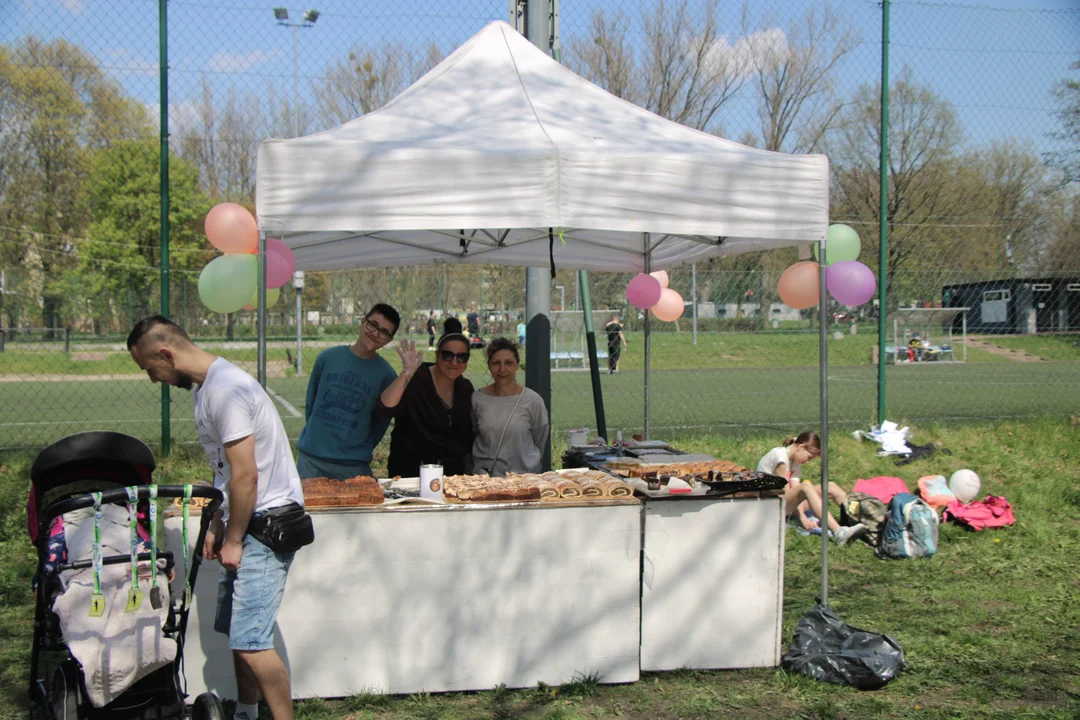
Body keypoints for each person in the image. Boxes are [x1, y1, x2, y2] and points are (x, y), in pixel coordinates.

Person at [127, 315, 303, 720]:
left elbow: (246, 474)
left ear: (166, 353)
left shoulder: (226, 390)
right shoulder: (205, 389)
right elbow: (224, 470)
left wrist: (236, 539)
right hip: (245, 521)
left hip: (267, 524)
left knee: (252, 642)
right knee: (240, 636)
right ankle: (245, 712)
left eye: (150, 368)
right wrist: (217, 522)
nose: (153, 379)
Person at [295, 303, 400, 480]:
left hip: (353, 466)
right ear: (362, 321)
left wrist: (356, 449)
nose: (375, 333)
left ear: (388, 340)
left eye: (383, 332)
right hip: (311, 461)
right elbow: (311, 403)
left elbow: (380, 425)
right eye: (373, 325)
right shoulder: (327, 358)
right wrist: (318, 442)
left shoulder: (386, 376)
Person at [378, 320, 475, 478]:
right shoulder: (417, 379)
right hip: (410, 475)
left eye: (462, 356)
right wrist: (406, 373)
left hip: (451, 478)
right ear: (437, 355)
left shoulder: (465, 389)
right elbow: (384, 408)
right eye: (447, 355)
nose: (454, 362)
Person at [757, 431, 867, 546]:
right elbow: (786, 492)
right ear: (801, 447)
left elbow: (794, 489)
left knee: (830, 487)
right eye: (809, 457)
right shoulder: (779, 458)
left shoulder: (794, 460)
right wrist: (803, 518)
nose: (808, 461)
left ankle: (863, 521)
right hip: (769, 506)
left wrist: (802, 515)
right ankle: (839, 533)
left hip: (783, 503)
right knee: (806, 486)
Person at [471, 338, 549, 476]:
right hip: (486, 480)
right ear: (489, 366)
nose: (502, 369)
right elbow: (474, 434)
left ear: (517, 365)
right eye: (496, 363)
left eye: (508, 363)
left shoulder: (533, 401)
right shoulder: (478, 399)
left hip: (523, 478)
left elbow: (540, 440)